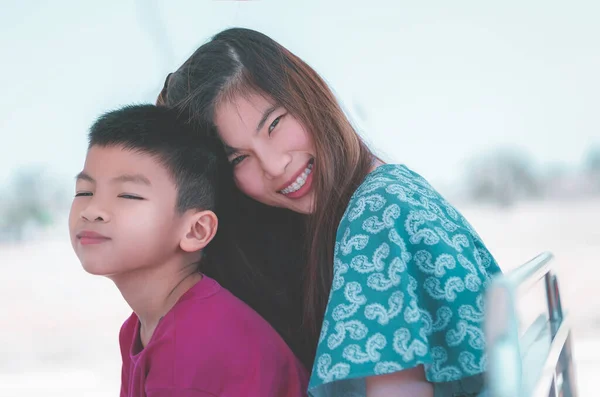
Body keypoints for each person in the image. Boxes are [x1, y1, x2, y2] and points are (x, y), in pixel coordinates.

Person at [161, 28, 502, 397]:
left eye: (275, 124)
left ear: (309, 94)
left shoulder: (374, 217)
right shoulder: (388, 188)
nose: (274, 166)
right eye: (240, 158)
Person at [68, 104, 309, 397]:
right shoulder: (137, 329)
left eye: (128, 195)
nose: (93, 211)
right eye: (84, 192)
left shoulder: (193, 340)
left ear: (196, 230)